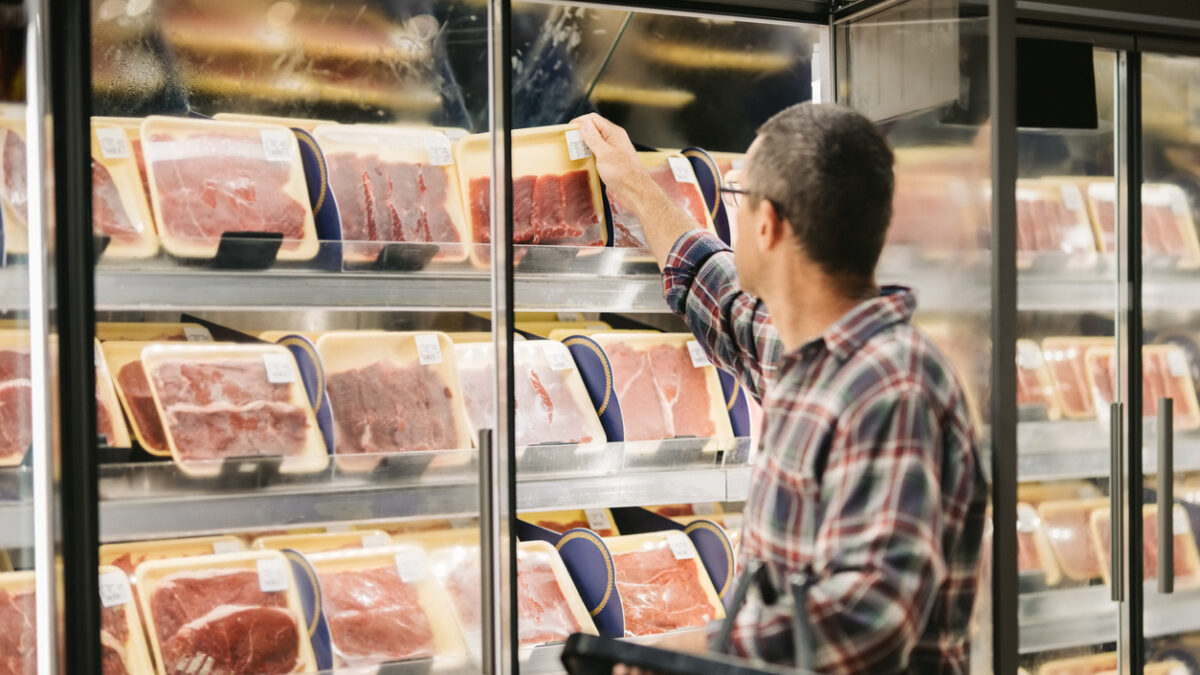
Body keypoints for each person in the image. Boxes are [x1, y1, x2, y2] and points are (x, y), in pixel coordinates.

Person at [575, 103, 988, 674]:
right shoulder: (811, 356)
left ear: (766, 223)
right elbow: (717, 293)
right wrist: (636, 187)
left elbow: (869, 618)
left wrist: (693, 653)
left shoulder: (890, 386)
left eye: (737, 200)